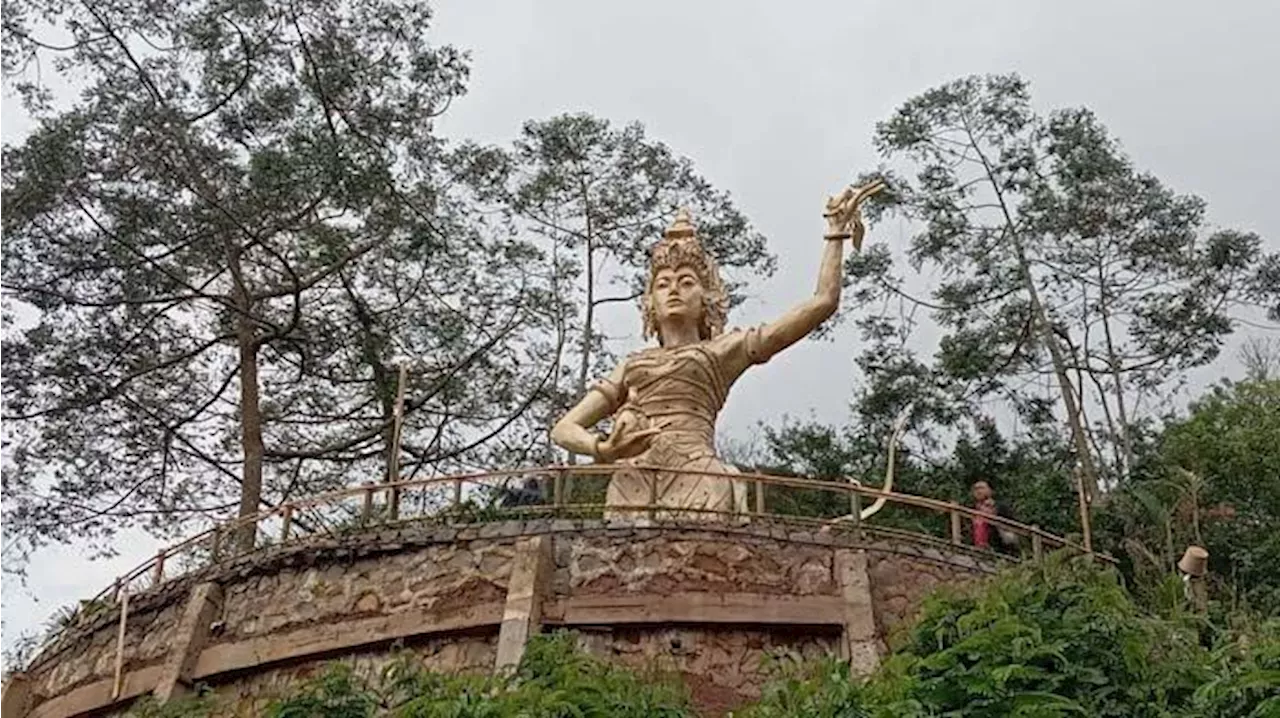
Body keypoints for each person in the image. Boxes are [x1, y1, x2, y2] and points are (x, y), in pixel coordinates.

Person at [550, 181, 885, 520]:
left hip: (698, 476)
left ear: (707, 297)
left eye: (686, 281)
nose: (674, 290)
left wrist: (835, 234)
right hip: (633, 481)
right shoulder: (634, 363)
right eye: (662, 284)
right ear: (649, 300)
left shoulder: (720, 351)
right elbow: (563, 428)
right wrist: (601, 448)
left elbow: (822, 302)